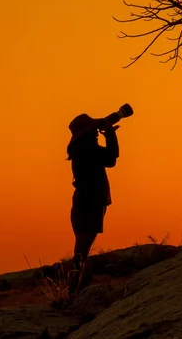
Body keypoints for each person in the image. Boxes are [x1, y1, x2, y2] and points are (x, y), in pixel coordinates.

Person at [66, 113, 119, 288]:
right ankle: (74, 289)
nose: (96, 132)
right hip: (90, 201)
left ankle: (74, 288)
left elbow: (109, 159)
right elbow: (112, 158)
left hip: (86, 200)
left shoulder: (80, 147)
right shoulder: (86, 148)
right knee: (82, 251)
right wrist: (110, 134)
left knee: (81, 250)